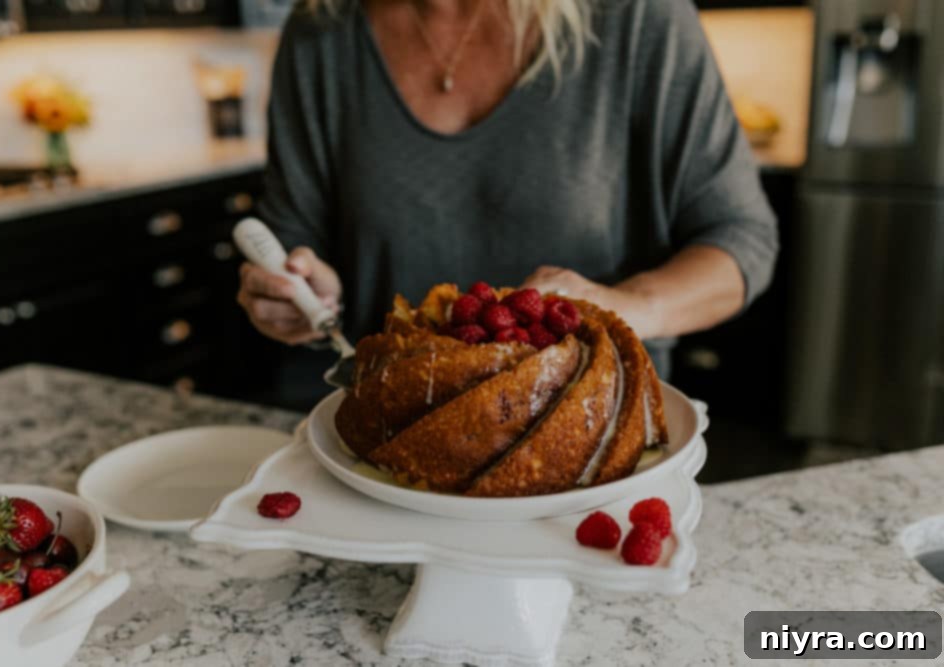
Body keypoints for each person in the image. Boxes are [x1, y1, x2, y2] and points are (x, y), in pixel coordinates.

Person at [238, 0, 779, 409]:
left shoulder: (639, 16)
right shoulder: (322, 30)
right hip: (386, 435)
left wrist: (621, 306)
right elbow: (297, 241)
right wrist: (301, 295)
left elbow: (741, 240)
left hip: (591, 430)